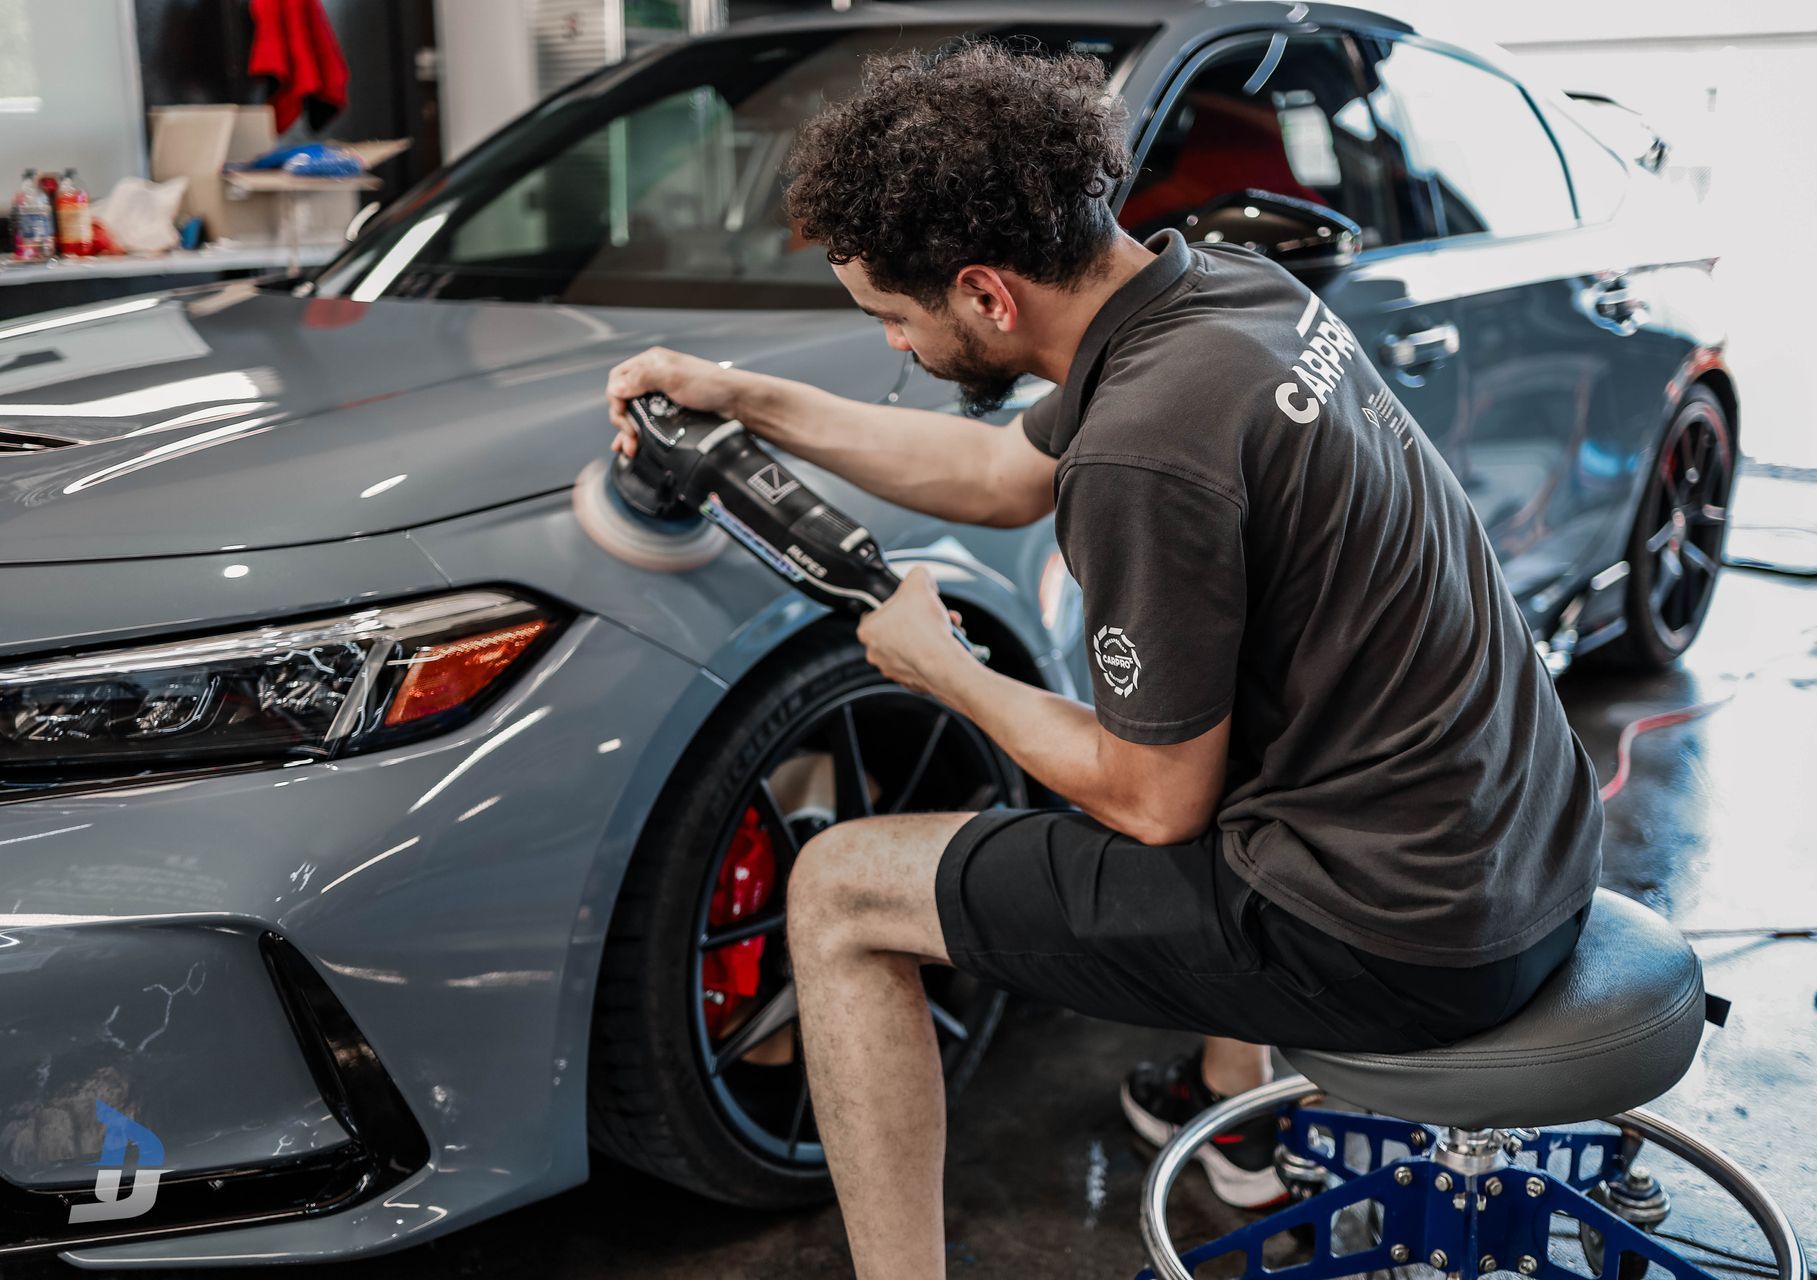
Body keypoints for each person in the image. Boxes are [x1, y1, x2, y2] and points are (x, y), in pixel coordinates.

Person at [606, 40, 1602, 1277]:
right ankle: (1232, 1093)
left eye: (894, 321)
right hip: (1525, 851)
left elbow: (1153, 800)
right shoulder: (1221, 293)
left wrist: (948, 670)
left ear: (985, 294)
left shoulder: (1144, 445)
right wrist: (741, 394)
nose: (896, 352)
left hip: (1398, 934)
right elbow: (993, 474)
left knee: (841, 891)